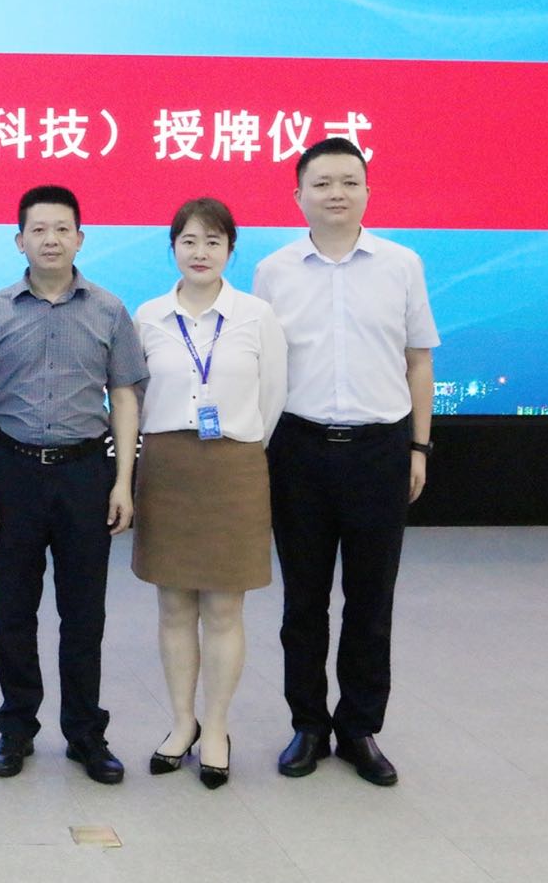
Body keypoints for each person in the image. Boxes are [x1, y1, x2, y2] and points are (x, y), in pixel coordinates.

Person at [253, 136, 438, 787]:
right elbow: (262, 366)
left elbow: (419, 361)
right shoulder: (274, 271)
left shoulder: (402, 265)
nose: (337, 193)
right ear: (298, 195)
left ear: (367, 191)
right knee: (303, 601)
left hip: (380, 450)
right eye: (323, 182)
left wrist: (418, 446)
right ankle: (308, 725)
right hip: (298, 449)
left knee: (370, 599)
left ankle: (359, 728)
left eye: (349, 181)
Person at [0, 184, 147, 784]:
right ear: (19, 240)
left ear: (80, 238)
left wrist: (123, 481)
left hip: (86, 473)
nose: (50, 239)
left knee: (83, 614)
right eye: (38, 230)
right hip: (12, 471)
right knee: (14, 612)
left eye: (62, 229)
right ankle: (16, 730)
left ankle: (86, 734)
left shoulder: (109, 310)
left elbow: (124, 396)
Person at [132, 197, 286, 789]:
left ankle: (217, 727)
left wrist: (237, 444)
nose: (200, 252)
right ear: (172, 247)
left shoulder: (256, 315)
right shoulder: (149, 316)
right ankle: (181, 723)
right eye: (189, 241)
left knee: (224, 608)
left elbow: (273, 396)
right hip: (168, 466)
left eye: (213, 242)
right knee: (174, 606)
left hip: (234, 468)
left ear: (230, 250)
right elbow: (135, 396)